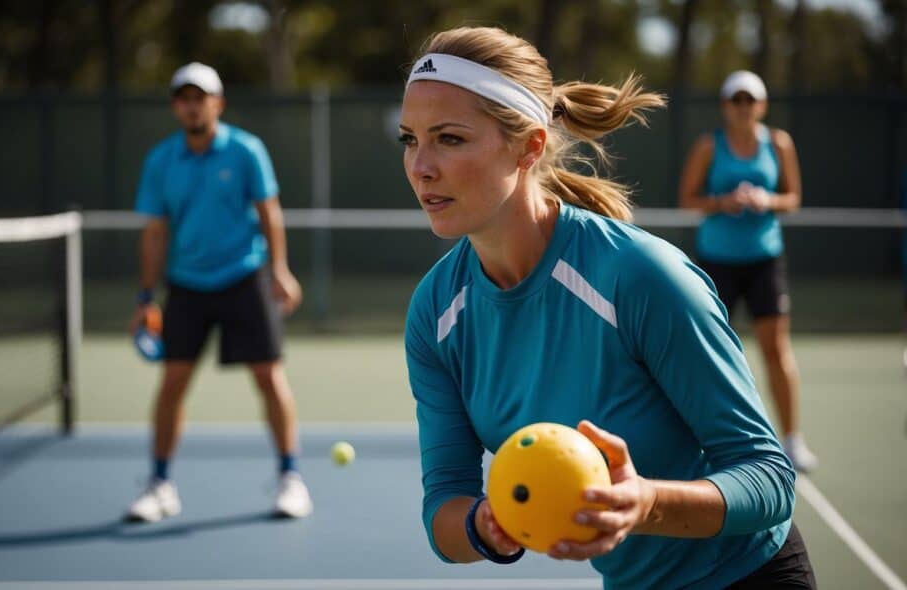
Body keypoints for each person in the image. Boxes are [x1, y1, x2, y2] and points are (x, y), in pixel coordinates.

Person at [401, 27, 815, 588]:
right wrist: (487, 524)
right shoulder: (435, 314)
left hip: (751, 575)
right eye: (410, 139)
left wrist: (645, 502)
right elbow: (444, 506)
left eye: (448, 138)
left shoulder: (641, 275)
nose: (421, 166)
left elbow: (769, 478)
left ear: (530, 146)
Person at [125, 62, 311, 522]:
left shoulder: (247, 150)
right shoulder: (161, 161)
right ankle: (160, 484)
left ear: (217, 103)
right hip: (186, 286)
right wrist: (146, 297)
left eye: (200, 97)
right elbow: (154, 232)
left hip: (244, 279)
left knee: (269, 378)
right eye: (184, 98)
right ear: (176, 107)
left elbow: (269, 211)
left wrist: (279, 270)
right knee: (171, 385)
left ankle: (291, 478)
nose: (192, 105)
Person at [678, 70, 817, 472]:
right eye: (735, 100)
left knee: (776, 349)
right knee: (712, 351)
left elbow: (792, 199)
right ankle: (708, 441)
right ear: (725, 106)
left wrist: (766, 200)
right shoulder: (709, 146)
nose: (743, 107)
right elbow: (688, 199)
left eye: (750, 100)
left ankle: (792, 440)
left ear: (762, 105)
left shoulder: (779, 143)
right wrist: (723, 202)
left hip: (765, 261)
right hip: (717, 261)